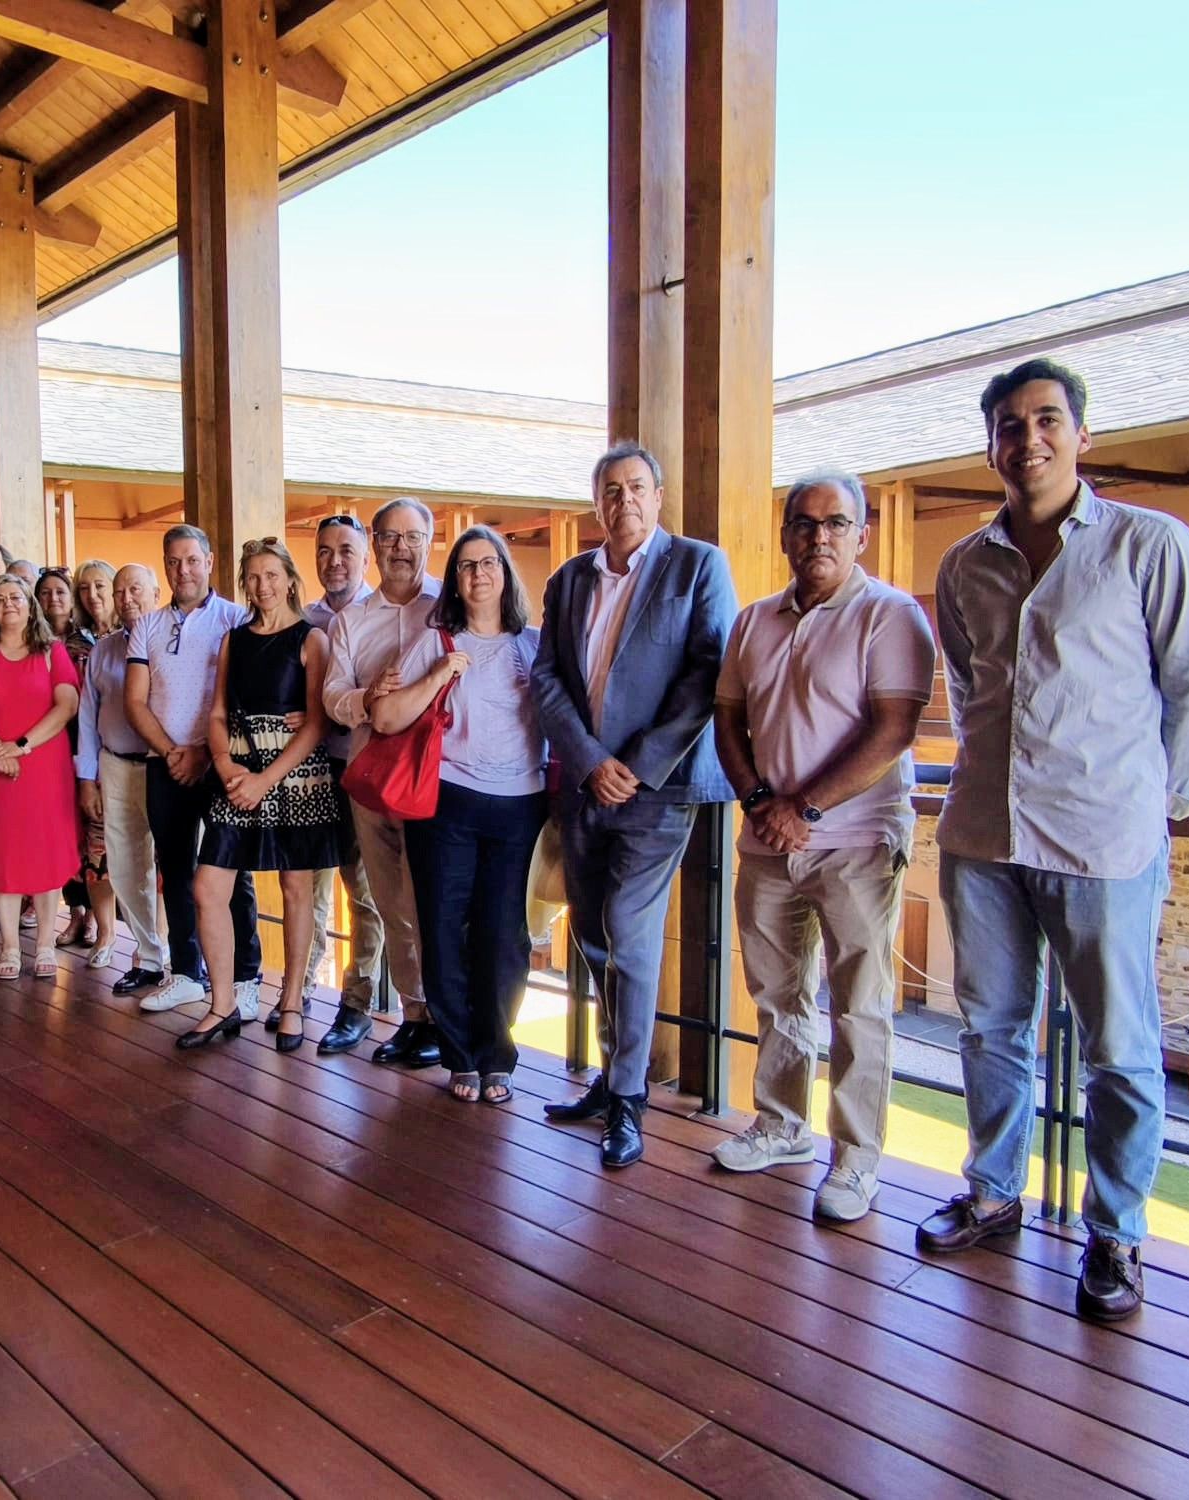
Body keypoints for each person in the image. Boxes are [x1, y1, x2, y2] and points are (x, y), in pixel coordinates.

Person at [920, 358, 1189, 1321]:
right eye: (1010, 426)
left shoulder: (1150, 545)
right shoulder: (964, 565)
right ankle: (993, 1193)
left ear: (1082, 436)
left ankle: (1117, 1233)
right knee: (990, 1030)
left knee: (1121, 1048)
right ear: (991, 448)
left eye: (1047, 420)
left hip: (1104, 842)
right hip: (984, 835)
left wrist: (1156, 801)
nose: (1030, 439)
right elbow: (970, 687)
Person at [711, 472, 936, 1223]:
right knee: (777, 995)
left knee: (860, 1007)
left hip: (858, 842)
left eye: (837, 523)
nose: (820, 537)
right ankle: (781, 1126)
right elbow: (728, 719)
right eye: (805, 523)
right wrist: (759, 804)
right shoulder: (754, 621)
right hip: (767, 840)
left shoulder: (891, 615)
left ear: (862, 535)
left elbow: (893, 729)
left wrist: (803, 807)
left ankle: (857, 1160)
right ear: (785, 536)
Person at [533, 442, 738, 1169]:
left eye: (636, 487)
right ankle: (610, 1075)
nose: (624, 500)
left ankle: (629, 1096)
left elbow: (709, 672)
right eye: (611, 490)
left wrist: (640, 765)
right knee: (591, 933)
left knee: (629, 928)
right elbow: (547, 678)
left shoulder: (698, 566)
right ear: (597, 503)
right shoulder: (568, 579)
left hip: (659, 787)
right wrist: (590, 762)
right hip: (586, 783)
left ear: (658, 495)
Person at [374, 527, 547, 1101]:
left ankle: (497, 1053)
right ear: (455, 580)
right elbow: (386, 718)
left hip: (520, 804)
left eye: (489, 562)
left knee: (504, 934)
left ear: (505, 572)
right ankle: (459, 1056)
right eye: (467, 565)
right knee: (443, 927)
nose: (479, 573)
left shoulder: (533, 644)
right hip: (447, 802)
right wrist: (437, 675)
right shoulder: (437, 641)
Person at [179, 540, 349, 1052]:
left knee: (297, 887)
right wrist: (225, 763)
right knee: (208, 886)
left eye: (272, 575)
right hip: (237, 769)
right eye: (253, 576)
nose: (262, 585)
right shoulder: (233, 640)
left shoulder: (311, 639)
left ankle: (292, 1000)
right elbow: (216, 712)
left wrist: (265, 779)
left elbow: (317, 722)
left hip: (293, 775)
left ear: (290, 580)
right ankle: (223, 1003)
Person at [322, 499, 443, 1066]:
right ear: (375, 545)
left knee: (432, 901)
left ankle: (444, 1017)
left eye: (412, 537)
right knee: (390, 901)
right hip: (371, 778)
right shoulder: (352, 620)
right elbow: (332, 695)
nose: (401, 548)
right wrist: (365, 700)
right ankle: (415, 1017)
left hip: (438, 780)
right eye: (390, 537)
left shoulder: (449, 608)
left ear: (430, 542)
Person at [125, 525, 259, 1018]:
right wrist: (172, 752)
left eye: (191, 560)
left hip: (223, 765)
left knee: (232, 870)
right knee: (175, 868)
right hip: (165, 765)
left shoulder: (236, 618)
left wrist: (204, 752)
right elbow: (134, 700)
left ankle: (245, 977)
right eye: (173, 561)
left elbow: (245, 695)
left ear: (209, 562)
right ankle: (186, 972)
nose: (182, 570)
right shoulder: (147, 625)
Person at [0, 574, 82, 979]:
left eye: (16, 597)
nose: (8, 603)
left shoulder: (51, 651)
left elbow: (67, 704)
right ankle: (10, 945)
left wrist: (21, 746)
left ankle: (45, 943)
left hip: (43, 768)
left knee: (45, 851)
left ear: (31, 605)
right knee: (4, 853)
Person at [294, 514, 385, 1053]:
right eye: (324, 551)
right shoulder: (305, 620)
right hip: (311, 770)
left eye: (346, 550)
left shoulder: (382, 615)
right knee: (308, 886)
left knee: (365, 893)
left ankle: (356, 1004)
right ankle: (301, 987)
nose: (334, 561)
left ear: (366, 557)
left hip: (363, 769)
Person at [77, 564, 171, 994]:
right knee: (124, 865)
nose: (126, 598)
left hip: (164, 765)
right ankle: (148, 956)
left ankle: (176, 955)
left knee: (172, 865)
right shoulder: (103, 650)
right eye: (120, 592)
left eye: (136, 589)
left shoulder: (172, 642)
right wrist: (87, 778)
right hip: (115, 765)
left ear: (155, 593)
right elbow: (87, 717)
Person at [63, 560, 121, 962]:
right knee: (96, 851)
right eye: (84, 588)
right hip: (86, 756)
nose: (93, 595)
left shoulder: (138, 634)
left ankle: (157, 942)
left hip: (132, 757)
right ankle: (105, 933)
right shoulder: (71, 644)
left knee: (148, 855)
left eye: (100, 586)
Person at [36, 565, 95, 947]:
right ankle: (74, 912)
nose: (53, 598)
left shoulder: (87, 641)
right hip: (45, 744)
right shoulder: (32, 642)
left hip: (82, 741)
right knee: (62, 830)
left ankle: (93, 916)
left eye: (60, 591)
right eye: (45, 593)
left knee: (89, 831)